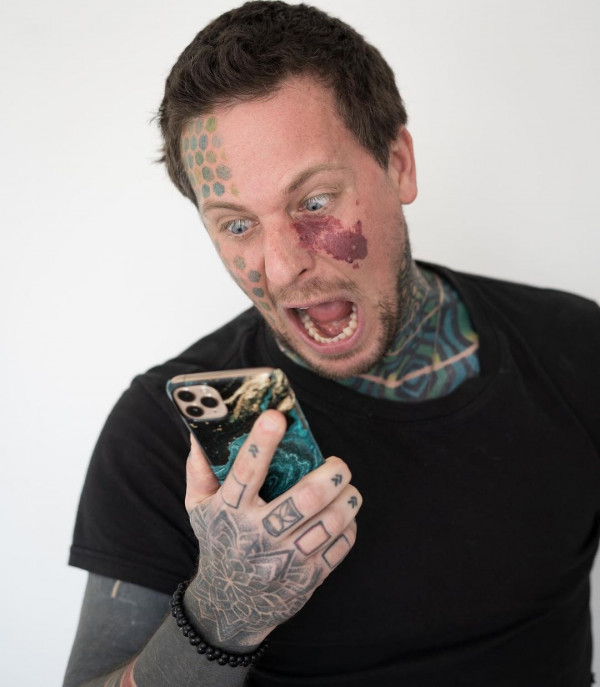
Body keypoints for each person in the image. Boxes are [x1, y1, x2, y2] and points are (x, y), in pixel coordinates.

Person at [63, 2, 600, 686]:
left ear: (398, 164)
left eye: (313, 202)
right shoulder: (168, 433)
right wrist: (221, 613)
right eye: (236, 224)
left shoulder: (576, 348)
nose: (283, 266)